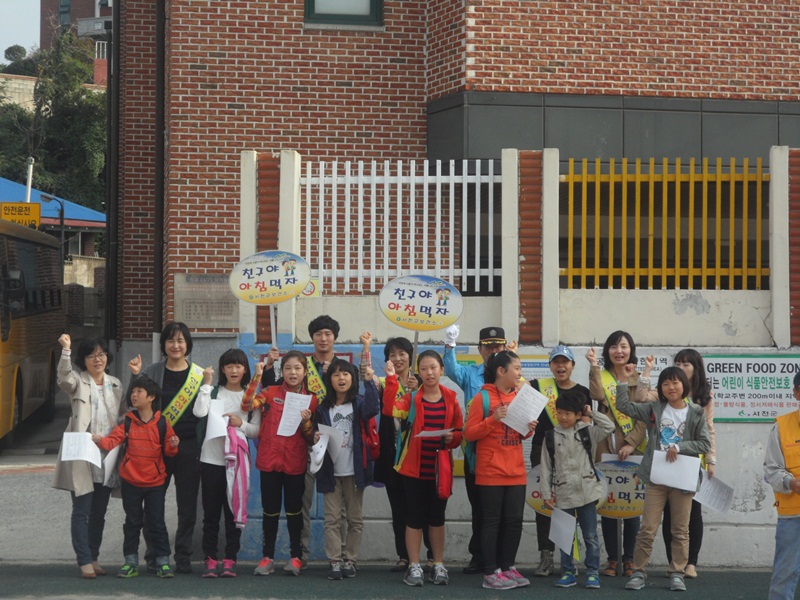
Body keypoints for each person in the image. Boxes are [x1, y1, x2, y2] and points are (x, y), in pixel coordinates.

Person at [615, 365, 710, 592]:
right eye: (665, 384)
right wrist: (622, 380)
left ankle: (677, 572)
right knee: (647, 527)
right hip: (656, 478)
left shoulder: (696, 411)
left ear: (684, 385)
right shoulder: (654, 409)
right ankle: (638, 571)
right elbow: (623, 406)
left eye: (675, 382)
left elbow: (705, 444)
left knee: (680, 529)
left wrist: (680, 446)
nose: (671, 387)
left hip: (683, 478)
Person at [263, 314, 341, 566]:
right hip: (302, 444)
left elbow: (346, 399)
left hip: (333, 444)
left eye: (328, 333)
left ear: (334, 337)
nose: (323, 338)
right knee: (301, 502)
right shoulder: (299, 364)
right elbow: (275, 393)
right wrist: (268, 367)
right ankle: (301, 554)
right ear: (312, 338)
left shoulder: (341, 367)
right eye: (318, 334)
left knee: (335, 505)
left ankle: (338, 558)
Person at [127, 322, 203, 574]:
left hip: (189, 447)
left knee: (187, 504)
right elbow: (134, 402)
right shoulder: (151, 371)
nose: (176, 345)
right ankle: (155, 554)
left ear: (188, 345)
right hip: (156, 447)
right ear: (164, 345)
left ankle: (183, 555)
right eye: (171, 341)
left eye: (181, 341)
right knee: (153, 504)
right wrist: (136, 377)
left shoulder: (200, 375)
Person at [384, 350, 464, 587]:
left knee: (437, 519)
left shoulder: (450, 397)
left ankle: (438, 564)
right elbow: (390, 409)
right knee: (414, 518)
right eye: (425, 368)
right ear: (418, 372)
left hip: (440, 471)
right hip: (413, 470)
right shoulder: (411, 399)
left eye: (434, 368)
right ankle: (414, 565)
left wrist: (453, 439)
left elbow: (459, 430)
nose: (430, 373)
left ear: (441, 370)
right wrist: (391, 379)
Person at [443, 324, 517, 574]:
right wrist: (450, 344)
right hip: (477, 451)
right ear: (480, 349)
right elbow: (451, 369)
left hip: (506, 453)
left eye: (498, 346)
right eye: (488, 347)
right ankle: (480, 557)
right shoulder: (471, 374)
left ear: (505, 347)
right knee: (480, 508)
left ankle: (501, 559)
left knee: (505, 513)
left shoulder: (514, 379)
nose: (493, 350)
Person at [92, 376, 180, 579]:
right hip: (130, 482)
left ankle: (163, 562)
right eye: (133, 392)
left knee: (157, 523)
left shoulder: (163, 423)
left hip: (156, 483)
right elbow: (112, 441)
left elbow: (169, 451)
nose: (133, 395)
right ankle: (130, 562)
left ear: (151, 397)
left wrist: (173, 444)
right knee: (132, 522)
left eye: (139, 391)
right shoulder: (127, 422)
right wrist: (100, 441)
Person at [52, 334, 125, 579]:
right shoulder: (77, 381)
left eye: (102, 354)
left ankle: (93, 557)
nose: (98, 359)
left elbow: (123, 417)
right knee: (82, 510)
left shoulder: (115, 384)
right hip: (82, 452)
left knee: (99, 512)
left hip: (107, 455)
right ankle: (83, 560)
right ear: (84, 359)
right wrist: (66, 351)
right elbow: (63, 378)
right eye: (92, 355)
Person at [360, 332, 432, 573]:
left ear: (411, 357)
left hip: (420, 455)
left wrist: (419, 388)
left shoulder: (423, 381)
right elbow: (366, 374)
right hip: (392, 456)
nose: (398, 358)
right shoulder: (383, 382)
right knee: (399, 508)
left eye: (402, 354)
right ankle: (404, 556)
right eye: (393, 355)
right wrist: (367, 346)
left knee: (424, 507)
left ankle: (432, 556)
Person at [464, 351, 536, 590]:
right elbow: (469, 433)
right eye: (516, 368)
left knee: (514, 521)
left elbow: (520, 434)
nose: (519, 373)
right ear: (501, 371)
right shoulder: (482, 398)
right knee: (492, 521)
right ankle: (490, 571)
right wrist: (493, 419)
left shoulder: (521, 397)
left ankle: (508, 567)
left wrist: (529, 428)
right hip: (490, 470)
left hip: (516, 469)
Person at [244, 350, 318, 576]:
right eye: (288, 368)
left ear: (305, 372)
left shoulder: (312, 399)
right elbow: (247, 405)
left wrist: (306, 424)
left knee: (295, 511)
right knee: (270, 511)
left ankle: (295, 557)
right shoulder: (269, 392)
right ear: (281, 371)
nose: (292, 372)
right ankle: (267, 557)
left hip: (295, 462)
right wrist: (256, 376)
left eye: (297, 368)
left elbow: (311, 437)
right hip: (269, 461)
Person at [586, 330, 654, 577]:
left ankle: (629, 559)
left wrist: (631, 442)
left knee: (632, 504)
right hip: (605, 444)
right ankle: (612, 559)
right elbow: (595, 395)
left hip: (633, 447)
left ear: (631, 350)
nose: (619, 351)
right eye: (614, 346)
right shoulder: (601, 375)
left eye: (624, 346)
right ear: (608, 351)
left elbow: (645, 415)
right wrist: (594, 366)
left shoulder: (640, 378)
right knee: (609, 502)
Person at [193, 349, 261, 578]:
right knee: (211, 514)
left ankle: (230, 559)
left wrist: (239, 422)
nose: (234, 370)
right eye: (229, 366)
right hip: (211, 460)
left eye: (238, 366)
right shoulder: (214, 391)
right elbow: (199, 411)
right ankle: (210, 560)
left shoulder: (251, 397)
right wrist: (206, 382)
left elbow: (256, 430)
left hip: (238, 463)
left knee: (234, 513)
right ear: (223, 369)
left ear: (245, 370)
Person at [540, 389, 615, 590]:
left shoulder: (587, 431)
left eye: (568, 413)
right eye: (560, 412)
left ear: (577, 414)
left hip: (587, 492)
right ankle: (568, 572)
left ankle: (592, 572)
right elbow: (546, 468)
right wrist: (546, 494)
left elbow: (609, 426)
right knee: (565, 536)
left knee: (590, 535)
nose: (563, 417)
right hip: (563, 493)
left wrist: (590, 413)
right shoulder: (550, 436)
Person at [529, 344, 591, 577]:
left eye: (565, 362)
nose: (561, 366)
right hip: (542, 450)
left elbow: (587, 426)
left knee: (572, 504)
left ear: (573, 365)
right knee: (545, 503)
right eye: (556, 362)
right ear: (550, 366)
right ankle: (546, 556)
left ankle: (570, 558)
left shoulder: (583, 392)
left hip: (574, 454)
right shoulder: (537, 387)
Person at [314, 359, 380, 580]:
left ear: (352, 378)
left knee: (355, 518)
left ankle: (350, 559)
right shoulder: (323, 407)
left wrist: (369, 382)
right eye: (335, 374)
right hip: (330, 472)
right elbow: (313, 436)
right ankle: (334, 560)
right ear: (329, 379)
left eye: (345, 374)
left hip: (355, 471)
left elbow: (373, 409)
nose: (341, 378)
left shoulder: (359, 403)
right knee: (331, 519)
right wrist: (313, 436)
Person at [661, 349, 716, 579]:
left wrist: (711, 460)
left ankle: (691, 563)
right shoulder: (666, 393)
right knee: (668, 513)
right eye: (677, 364)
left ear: (696, 369)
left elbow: (710, 430)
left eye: (686, 365)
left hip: (693, 461)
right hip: (667, 460)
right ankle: (674, 563)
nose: (681, 368)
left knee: (693, 513)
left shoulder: (703, 397)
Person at [764, 370, 800, 600]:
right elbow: (771, 469)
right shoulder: (781, 426)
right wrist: (792, 482)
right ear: (797, 393)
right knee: (785, 573)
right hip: (793, 513)